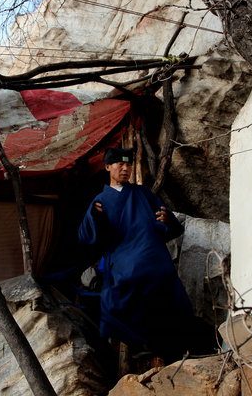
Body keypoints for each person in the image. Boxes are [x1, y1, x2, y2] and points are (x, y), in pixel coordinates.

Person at [78, 147, 191, 357]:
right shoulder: (100, 201)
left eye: (128, 164)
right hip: (123, 256)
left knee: (171, 290)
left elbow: (167, 224)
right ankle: (143, 344)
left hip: (152, 251)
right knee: (131, 281)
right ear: (107, 167)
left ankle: (177, 348)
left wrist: (167, 220)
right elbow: (86, 237)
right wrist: (94, 219)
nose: (125, 168)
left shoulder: (144, 193)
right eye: (120, 164)